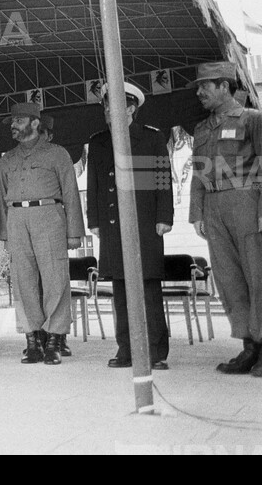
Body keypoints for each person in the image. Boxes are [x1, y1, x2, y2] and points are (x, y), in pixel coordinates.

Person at [87, 84, 173, 370]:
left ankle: (155, 351)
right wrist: (95, 221)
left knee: (148, 287)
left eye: (114, 105)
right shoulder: (99, 142)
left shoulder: (151, 139)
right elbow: (94, 184)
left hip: (145, 223)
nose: (107, 111)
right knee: (120, 288)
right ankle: (126, 348)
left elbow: (162, 180)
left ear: (131, 108)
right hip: (112, 226)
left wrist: (164, 216)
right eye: (105, 106)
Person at [188, 61, 262, 376]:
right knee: (229, 280)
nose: (200, 92)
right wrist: (197, 212)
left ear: (224, 86)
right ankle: (249, 347)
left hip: (246, 201)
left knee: (257, 276)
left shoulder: (252, 119)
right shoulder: (202, 129)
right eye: (198, 86)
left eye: (206, 85)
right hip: (214, 206)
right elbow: (198, 171)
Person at [0, 103, 85, 366]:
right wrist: (4, 234)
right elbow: (2, 199)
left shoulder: (57, 154)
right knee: (23, 281)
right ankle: (32, 340)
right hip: (16, 220)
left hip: (49, 216)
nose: (13, 125)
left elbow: (71, 194)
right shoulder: (6, 159)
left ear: (35, 123)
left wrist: (74, 232)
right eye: (13, 121)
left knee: (55, 278)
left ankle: (55, 340)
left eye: (19, 120)